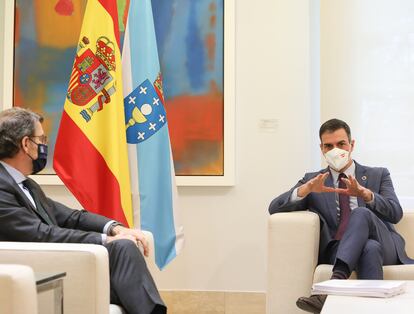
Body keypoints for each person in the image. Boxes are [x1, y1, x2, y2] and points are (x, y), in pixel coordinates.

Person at [0, 107, 166, 314]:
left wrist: (114, 229)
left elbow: (72, 217)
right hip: (39, 270)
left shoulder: (26, 184)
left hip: (65, 261)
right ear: (26, 144)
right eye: (41, 140)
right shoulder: (2, 185)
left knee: (124, 247)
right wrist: (104, 240)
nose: (44, 146)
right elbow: (40, 234)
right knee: (123, 250)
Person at [268, 118, 413, 313]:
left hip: (385, 242)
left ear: (351, 145)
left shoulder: (378, 174)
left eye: (341, 144)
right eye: (328, 146)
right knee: (369, 248)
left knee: (361, 213)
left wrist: (365, 194)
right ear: (322, 149)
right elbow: (274, 207)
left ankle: (335, 284)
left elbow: (395, 213)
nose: (335, 150)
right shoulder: (314, 180)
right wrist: (305, 190)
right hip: (339, 247)